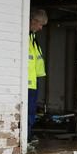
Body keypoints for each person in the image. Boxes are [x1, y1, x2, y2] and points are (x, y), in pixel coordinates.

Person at [28, 9, 47, 139]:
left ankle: (28, 135)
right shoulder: (26, 38)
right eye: (40, 24)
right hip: (27, 83)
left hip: (33, 81)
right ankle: (26, 136)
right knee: (28, 110)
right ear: (33, 21)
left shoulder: (32, 39)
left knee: (31, 110)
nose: (41, 28)